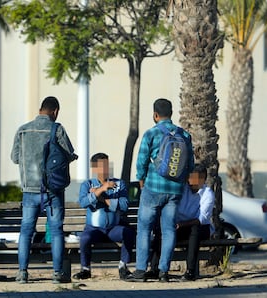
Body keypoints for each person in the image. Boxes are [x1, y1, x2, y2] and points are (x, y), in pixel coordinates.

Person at [11, 96, 78, 284]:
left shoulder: (22, 130)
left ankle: (22, 273)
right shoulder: (57, 129)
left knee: (26, 231)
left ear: (40, 109)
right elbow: (68, 154)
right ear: (55, 111)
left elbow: (15, 158)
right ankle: (57, 273)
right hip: (53, 191)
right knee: (56, 230)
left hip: (29, 190)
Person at [127, 98, 194, 283]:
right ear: (171, 113)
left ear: (155, 115)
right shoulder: (185, 135)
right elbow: (190, 165)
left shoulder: (151, 134)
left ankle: (141, 270)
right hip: (175, 191)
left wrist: (141, 179)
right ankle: (163, 271)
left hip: (153, 189)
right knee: (169, 230)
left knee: (144, 229)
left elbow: (141, 161)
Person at [72, 153, 136, 281]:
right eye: (101, 166)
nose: (105, 169)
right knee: (85, 238)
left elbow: (124, 206)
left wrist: (102, 198)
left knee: (127, 233)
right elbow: (84, 202)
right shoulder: (87, 184)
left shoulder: (119, 184)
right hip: (94, 228)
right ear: (95, 168)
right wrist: (101, 189)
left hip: (113, 227)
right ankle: (85, 269)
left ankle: (123, 266)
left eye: (107, 165)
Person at [147, 164, 215, 281]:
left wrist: (181, 225)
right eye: (189, 177)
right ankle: (154, 269)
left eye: (193, 178)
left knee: (195, 230)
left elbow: (201, 219)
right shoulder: (183, 189)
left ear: (202, 179)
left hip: (201, 227)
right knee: (162, 231)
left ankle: (190, 271)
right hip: (180, 226)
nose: (190, 181)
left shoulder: (208, 193)